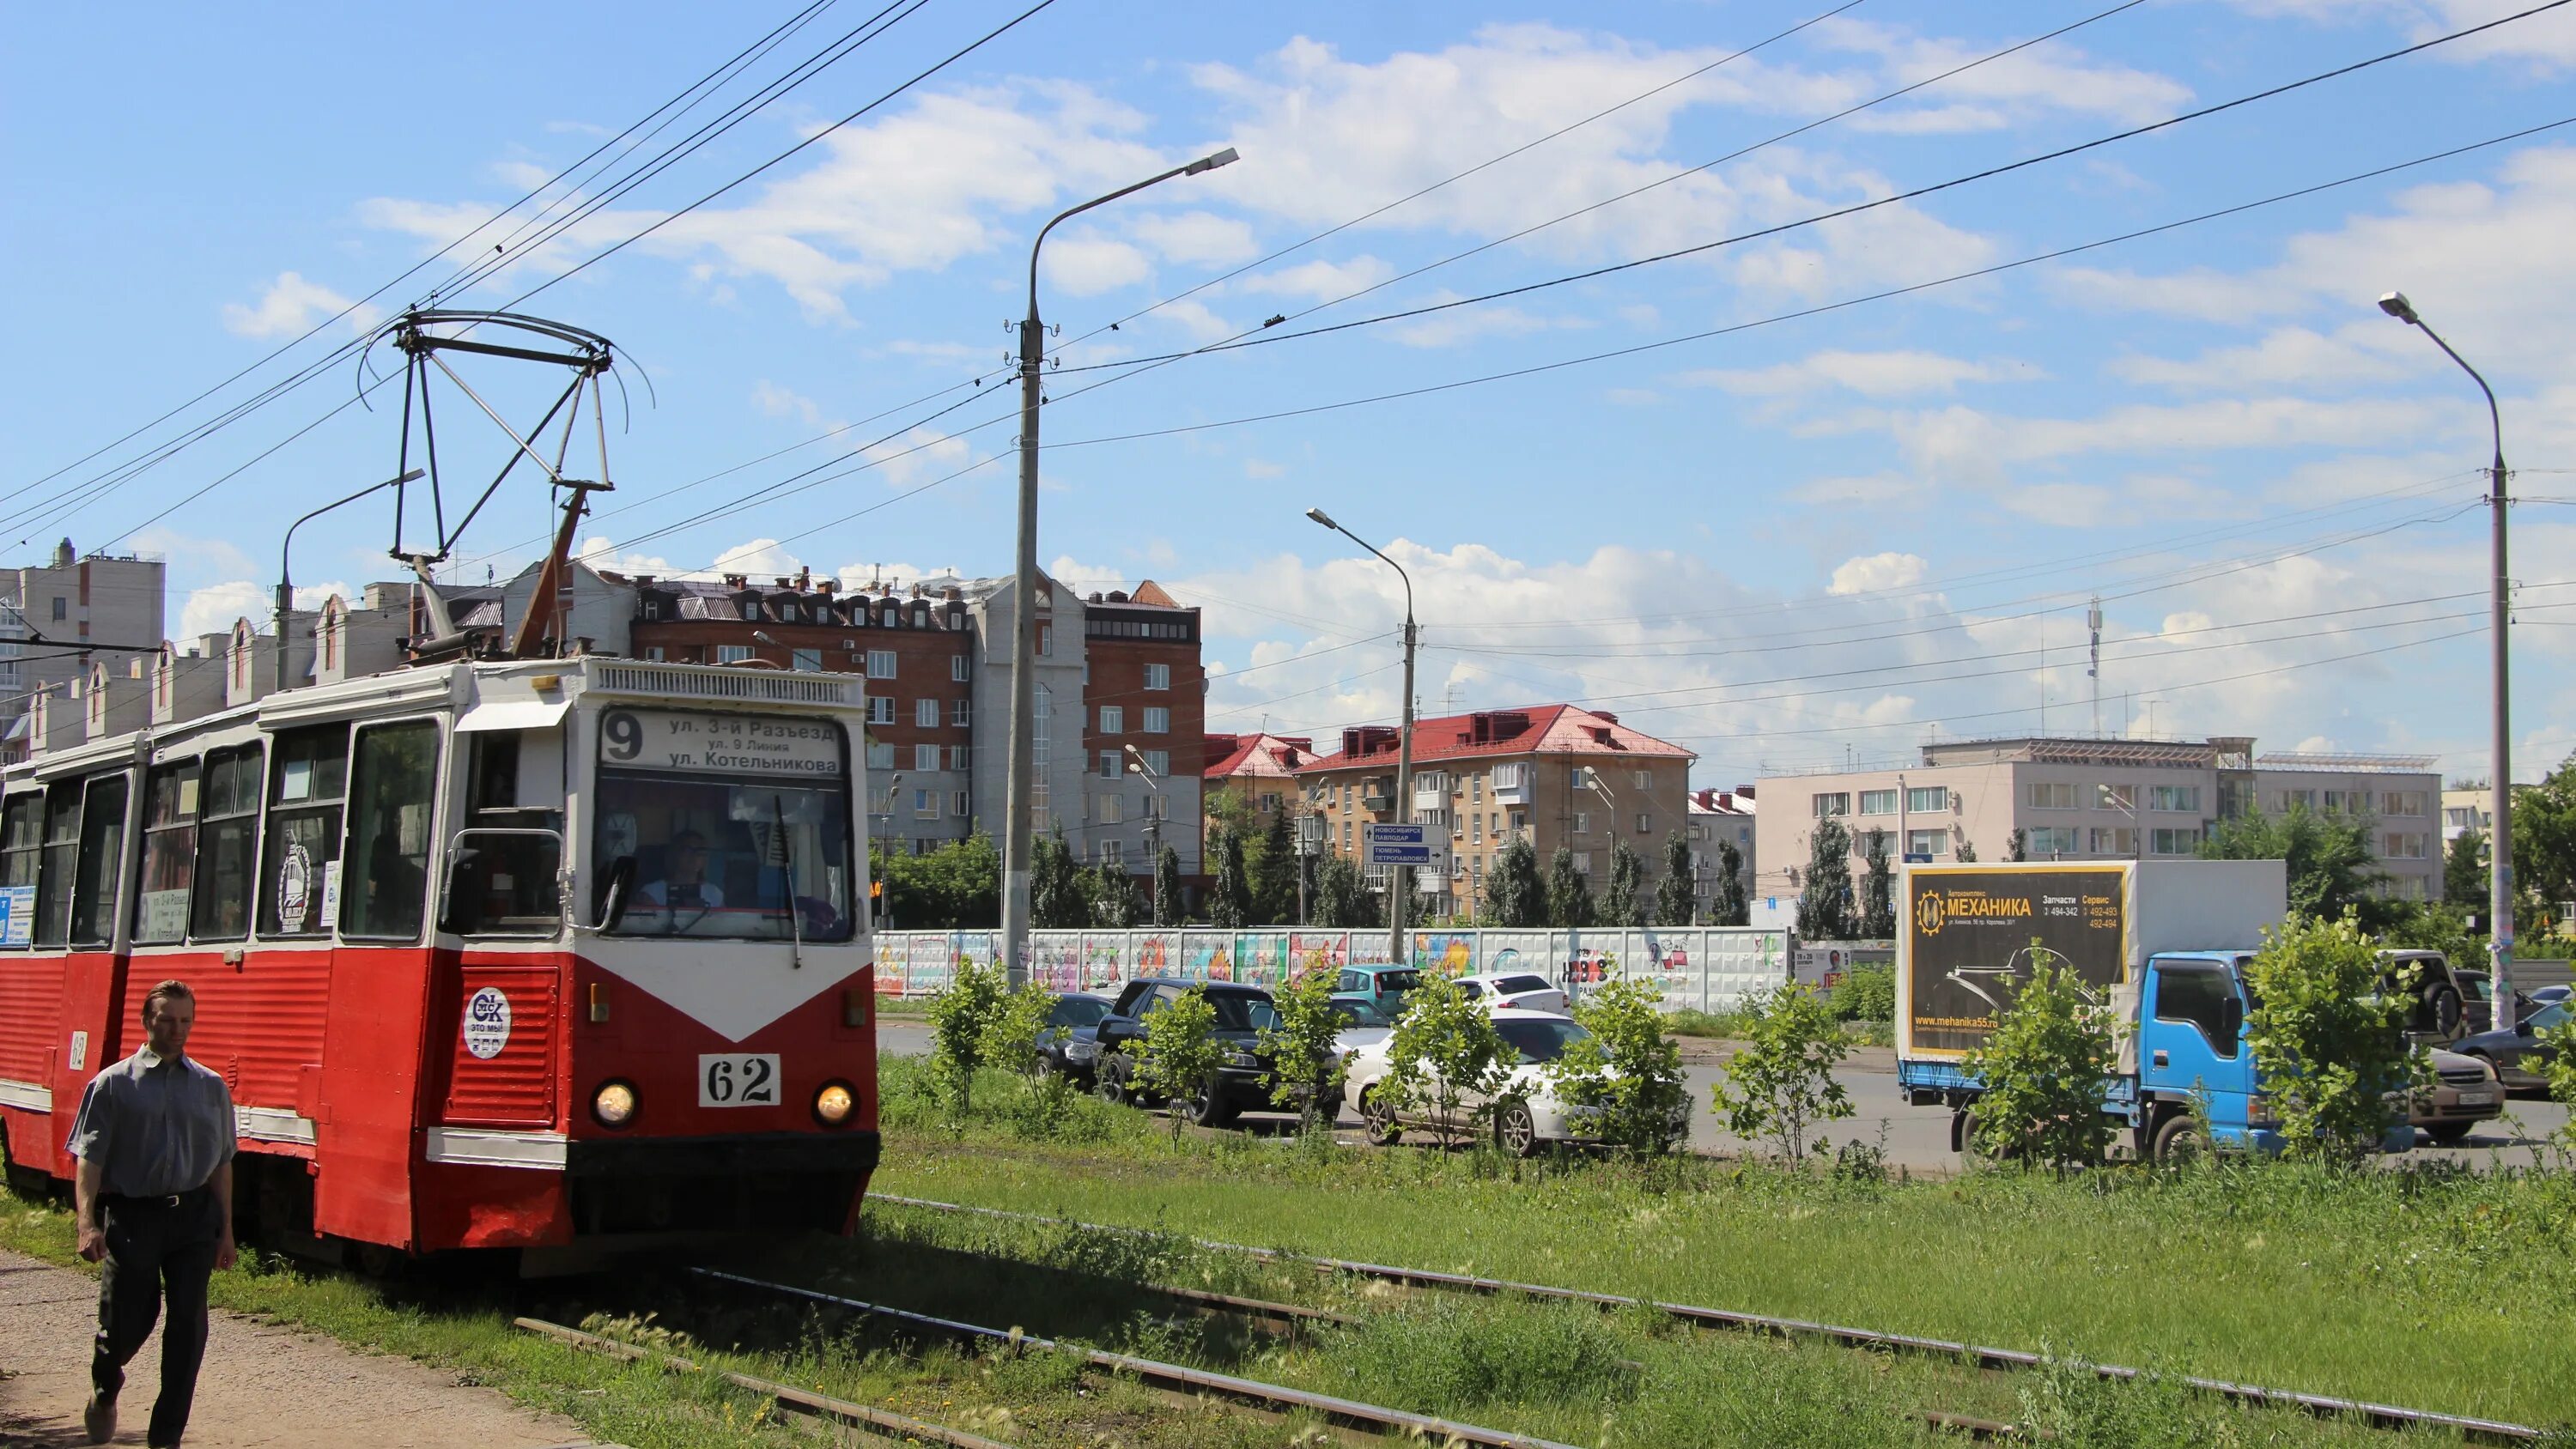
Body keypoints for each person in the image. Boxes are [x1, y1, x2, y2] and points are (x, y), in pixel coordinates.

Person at [69, 979, 236, 1448]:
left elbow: (222, 1164)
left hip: (193, 1221)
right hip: (134, 1218)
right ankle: (106, 1388)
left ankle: (165, 1438)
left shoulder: (211, 1087)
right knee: (126, 1321)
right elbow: (90, 1159)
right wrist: (87, 1223)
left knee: (188, 1326)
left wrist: (226, 1231)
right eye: (167, 1020)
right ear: (147, 1022)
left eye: (185, 1021)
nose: (176, 1030)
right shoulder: (113, 1084)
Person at [633, 828, 725, 911]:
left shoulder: (714, 893)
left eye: (700, 851)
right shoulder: (652, 891)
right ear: (674, 854)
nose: (695, 855)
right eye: (688, 850)